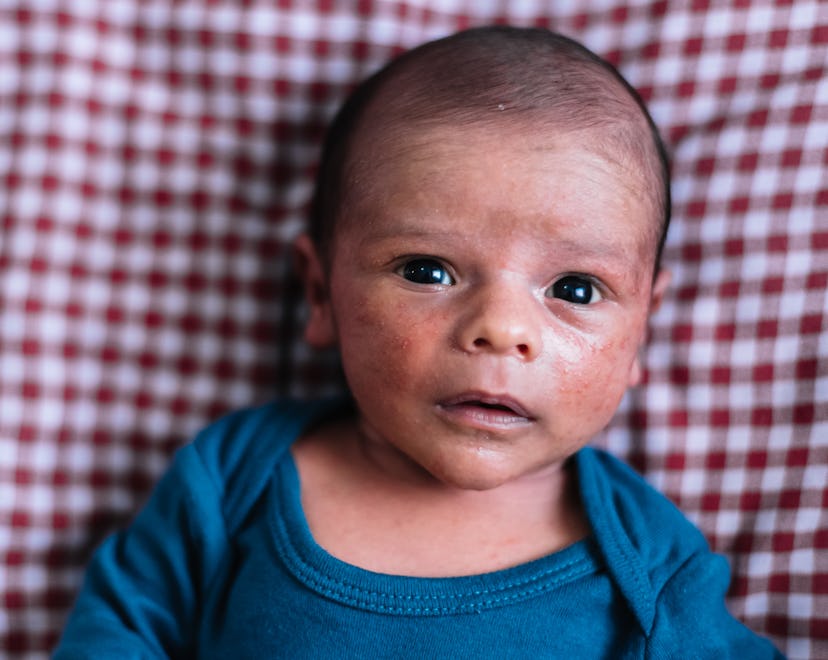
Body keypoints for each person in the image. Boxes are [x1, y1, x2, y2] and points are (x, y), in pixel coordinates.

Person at [54, 26, 783, 658]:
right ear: (320, 293)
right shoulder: (233, 480)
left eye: (576, 289)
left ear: (641, 330)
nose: (502, 330)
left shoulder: (649, 567)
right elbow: (117, 631)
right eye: (427, 270)